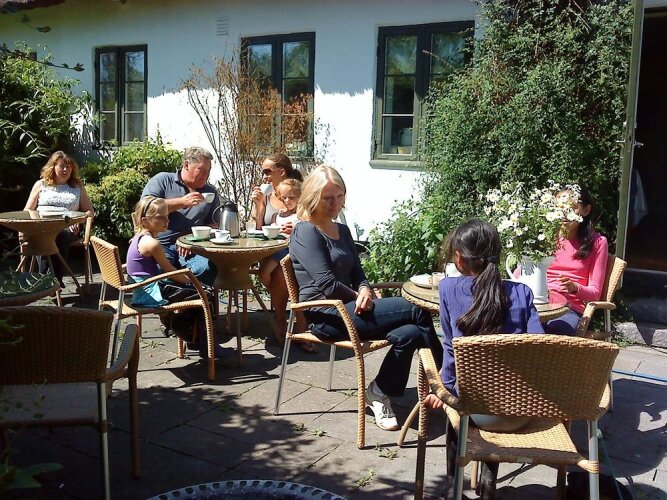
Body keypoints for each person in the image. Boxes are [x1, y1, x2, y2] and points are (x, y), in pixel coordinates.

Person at [289, 165, 443, 431]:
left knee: (411, 332)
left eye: (339, 196)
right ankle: (446, 382)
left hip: (351, 308)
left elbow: (358, 273)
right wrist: (361, 295)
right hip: (325, 315)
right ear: (313, 197)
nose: (335, 203)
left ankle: (379, 392)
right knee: (417, 309)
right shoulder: (306, 231)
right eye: (328, 198)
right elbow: (327, 284)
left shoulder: (342, 230)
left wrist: (363, 289)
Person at [424, 219, 544, 499]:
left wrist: (443, 390)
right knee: (498, 389)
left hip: (473, 412)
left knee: (458, 406)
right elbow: (538, 349)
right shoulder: (522, 293)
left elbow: (451, 350)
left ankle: (454, 484)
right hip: (520, 412)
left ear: (459, 258)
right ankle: (489, 486)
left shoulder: (448, 289)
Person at [127, 196, 228, 359]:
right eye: (161, 217)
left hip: (142, 288)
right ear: (145, 221)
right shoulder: (152, 244)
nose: (167, 221)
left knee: (197, 292)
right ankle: (205, 344)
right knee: (205, 294)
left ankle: (192, 335)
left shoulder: (138, 237)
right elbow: (170, 271)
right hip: (149, 293)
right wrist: (194, 281)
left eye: (167, 216)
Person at [251, 154, 310, 348]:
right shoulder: (266, 196)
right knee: (276, 272)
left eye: (267, 171)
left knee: (282, 272)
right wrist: (259, 207)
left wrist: (299, 228)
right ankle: (289, 319)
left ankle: (287, 320)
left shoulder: (299, 193)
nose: (264, 176)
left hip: (293, 251)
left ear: (281, 171)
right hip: (271, 249)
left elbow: (313, 222)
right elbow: (256, 229)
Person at [141, 146, 220, 285]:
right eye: (202, 170)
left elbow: (213, 224)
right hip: (161, 244)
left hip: (193, 247)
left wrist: (191, 240)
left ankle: (191, 296)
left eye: (209, 171)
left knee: (208, 269)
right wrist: (181, 202)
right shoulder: (163, 180)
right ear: (186, 165)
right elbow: (146, 208)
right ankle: (179, 293)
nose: (206, 175)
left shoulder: (210, 192)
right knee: (159, 272)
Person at [544, 186, 608, 335]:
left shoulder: (597, 243)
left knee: (555, 330)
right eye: (560, 207)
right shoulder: (544, 236)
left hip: (569, 308)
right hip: (538, 302)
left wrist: (575, 287)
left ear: (586, 210)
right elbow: (521, 273)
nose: (565, 212)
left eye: (572, 208)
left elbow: (595, 293)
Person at [24, 151, 94, 286]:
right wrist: (36, 220)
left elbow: (89, 212)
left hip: (66, 227)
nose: (65, 170)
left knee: (60, 236)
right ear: (53, 167)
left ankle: (51, 280)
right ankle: (49, 280)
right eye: (62, 166)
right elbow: (27, 210)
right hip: (42, 226)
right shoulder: (41, 184)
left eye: (68, 167)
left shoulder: (77, 187)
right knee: (43, 235)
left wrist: (76, 220)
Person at [258, 178, 301, 287]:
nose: (287, 201)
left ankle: (273, 292)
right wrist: (277, 228)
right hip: (273, 248)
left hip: (288, 249)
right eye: (284, 198)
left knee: (264, 272)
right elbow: (272, 229)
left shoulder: (301, 216)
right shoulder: (276, 216)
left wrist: (296, 228)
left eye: (291, 197)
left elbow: (310, 229)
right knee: (262, 271)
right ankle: (273, 291)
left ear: (300, 197)